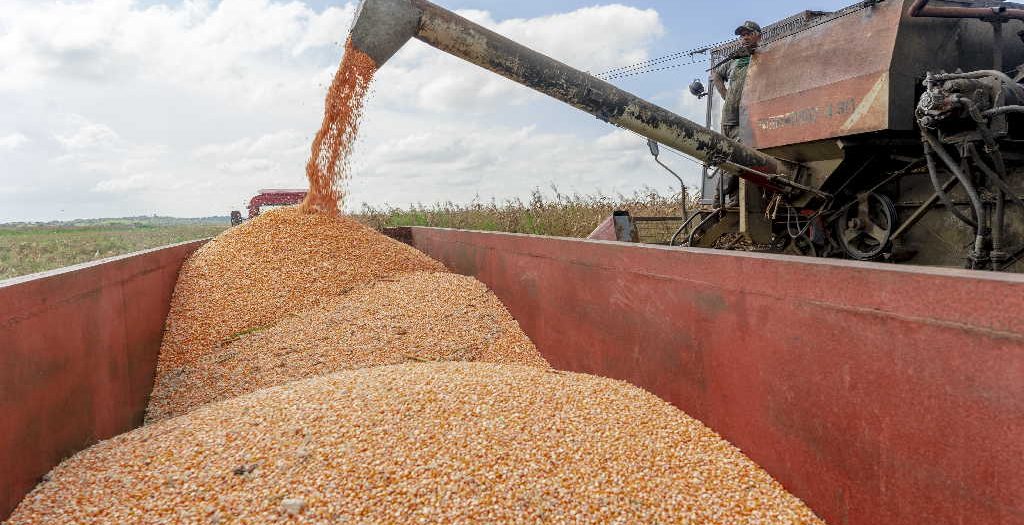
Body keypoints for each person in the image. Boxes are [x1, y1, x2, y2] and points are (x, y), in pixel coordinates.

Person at [710, 21, 762, 207]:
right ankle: (727, 198)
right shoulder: (734, 60)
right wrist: (725, 94)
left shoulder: (764, 56)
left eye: (748, 34)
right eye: (742, 35)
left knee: (737, 156)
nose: (744, 38)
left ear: (758, 35)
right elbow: (715, 75)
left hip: (751, 116)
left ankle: (724, 198)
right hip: (732, 116)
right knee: (737, 153)